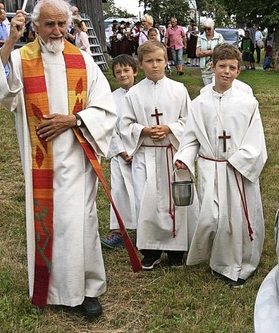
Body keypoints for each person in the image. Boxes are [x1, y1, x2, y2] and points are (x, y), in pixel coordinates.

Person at [0, 0, 117, 320]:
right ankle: (52, 289)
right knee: (48, 223)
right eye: (49, 24)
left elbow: (107, 107)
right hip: (41, 163)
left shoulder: (83, 60)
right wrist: (10, 39)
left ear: (69, 24)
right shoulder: (22, 57)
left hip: (76, 159)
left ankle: (87, 291)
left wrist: (74, 120)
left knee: (80, 224)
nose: (56, 31)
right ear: (36, 26)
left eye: (61, 24)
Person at [174, 43, 267, 288]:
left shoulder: (247, 103)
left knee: (235, 218)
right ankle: (218, 258)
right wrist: (184, 156)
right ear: (212, 67)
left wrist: (239, 161)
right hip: (208, 167)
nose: (226, 71)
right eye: (222, 66)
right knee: (212, 217)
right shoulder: (199, 103)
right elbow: (192, 136)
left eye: (232, 68)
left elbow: (255, 140)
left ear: (239, 72)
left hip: (235, 170)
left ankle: (234, 264)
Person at [117, 40, 198, 270]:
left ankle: (175, 253)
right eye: (149, 61)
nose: (155, 65)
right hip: (146, 155)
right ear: (140, 64)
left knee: (175, 202)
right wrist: (142, 130)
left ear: (166, 61)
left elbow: (189, 122)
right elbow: (125, 124)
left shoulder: (178, 90)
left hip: (171, 154)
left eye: (159, 60)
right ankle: (150, 251)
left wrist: (170, 128)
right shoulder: (133, 94)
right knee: (147, 201)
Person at [100, 54, 138, 249]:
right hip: (121, 155)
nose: (123, 75)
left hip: (142, 153)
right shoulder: (112, 99)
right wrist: (122, 152)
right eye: (118, 72)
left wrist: (137, 151)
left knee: (143, 192)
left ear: (135, 71)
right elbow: (110, 129)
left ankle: (147, 230)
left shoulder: (143, 95)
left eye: (126, 70)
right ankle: (119, 232)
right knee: (120, 191)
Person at [196, 18, 224, 85]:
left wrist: (204, 52)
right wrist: (212, 52)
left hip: (216, 66)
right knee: (207, 88)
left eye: (209, 29)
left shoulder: (219, 37)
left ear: (213, 28)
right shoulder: (200, 37)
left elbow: (221, 51)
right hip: (204, 68)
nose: (207, 31)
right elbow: (197, 53)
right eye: (205, 29)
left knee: (216, 87)